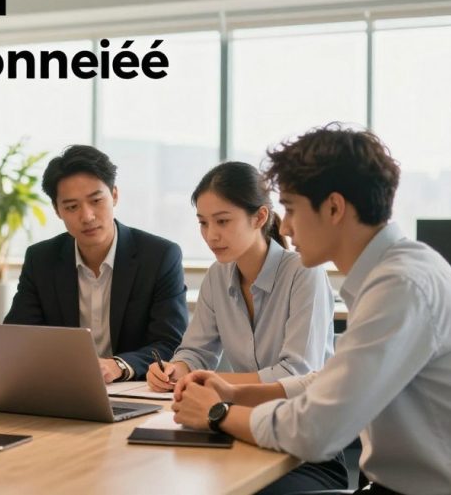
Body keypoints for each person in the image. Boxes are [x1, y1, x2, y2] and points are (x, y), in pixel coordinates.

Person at [172, 125, 451, 495]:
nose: (286, 227)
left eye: (291, 209)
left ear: (335, 208)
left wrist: (218, 414)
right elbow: (330, 381)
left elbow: (315, 432)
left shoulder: (400, 285)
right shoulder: (394, 271)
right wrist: (234, 393)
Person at [148, 161, 345, 494]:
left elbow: (296, 371)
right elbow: (196, 351)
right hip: (236, 431)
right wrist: (176, 370)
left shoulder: (304, 273)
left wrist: (210, 384)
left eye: (223, 221)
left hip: (304, 449)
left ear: (260, 217)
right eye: (203, 223)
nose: (211, 235)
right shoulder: (217, 275)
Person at [3, 145, 188, 383]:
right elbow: (18, 337)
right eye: (72, 207)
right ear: (57, 211)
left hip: (135, 390)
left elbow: (169, 342)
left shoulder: (160, 256)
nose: (87, 216)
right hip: (64, 389)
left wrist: (119, 366)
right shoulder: (41, 259)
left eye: (96, 200)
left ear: (115, 195)